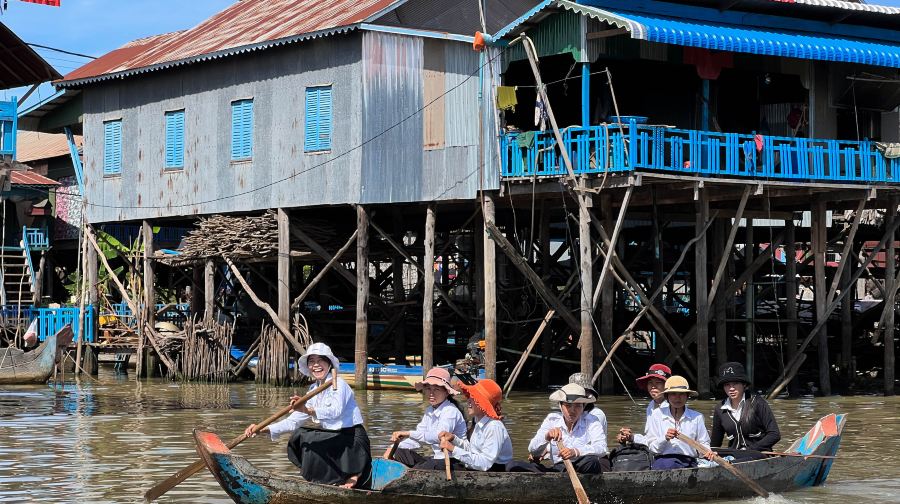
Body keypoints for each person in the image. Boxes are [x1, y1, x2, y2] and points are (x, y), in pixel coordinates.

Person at [243, 342, 371, 488]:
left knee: (308, 436)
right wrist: (261, 429)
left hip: (353, 441)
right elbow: (292, 422)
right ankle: (327, 479)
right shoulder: (312, 391)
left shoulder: (339, 384)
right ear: (308, 367)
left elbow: (336, 411)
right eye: (311, 361)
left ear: (329, 363)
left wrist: (307, 410)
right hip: (335, 439)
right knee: (300, 436)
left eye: (320, 360)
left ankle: (354, 473)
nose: (316, 365)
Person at [509, 383, 609, 474]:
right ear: (561, 406)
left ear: (583, 407)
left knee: (591, 461)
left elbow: (601, 448)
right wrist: (547, 437)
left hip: (584, 467)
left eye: (578, 406)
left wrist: (575, 452)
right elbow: (533, 450)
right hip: (559, 469)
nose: (572, 411)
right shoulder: (552, 420)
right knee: (513, 465)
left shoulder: (591, 420)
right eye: (568, 406)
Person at [387, 367, 467, 468]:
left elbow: (438, 436)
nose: (431, 393)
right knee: (400, 453)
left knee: (425, 466)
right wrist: (392, 448)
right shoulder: (429, 410)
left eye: (436, 389)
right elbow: (417, 438)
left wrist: (408, 433)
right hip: (437, 459)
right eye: (428, 388)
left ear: (447, 392)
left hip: (454, 461)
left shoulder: (450, 411)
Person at [709, 362, 781, 461]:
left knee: (747, 457)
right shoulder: (719, 409)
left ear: (744, 384)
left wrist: (750, 450)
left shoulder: (758, 403)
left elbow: (774, 434)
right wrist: (710, 454)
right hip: (733, 454)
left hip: (758, 454)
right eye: (727, 385)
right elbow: (715, 443)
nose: (731, 388)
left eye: (735, 384)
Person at [438, 379, 513, 471]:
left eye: (474, 398)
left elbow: (485, 463)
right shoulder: (479, 422)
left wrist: (453, 449)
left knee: (438, 466)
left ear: (482, 404)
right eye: (470, 397)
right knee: (436, 463)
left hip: (493, 472)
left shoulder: (493, 427)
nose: (468, 401)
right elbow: (473, 451)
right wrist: (454, 439)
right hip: (480, 469)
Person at [644, 375, 713, 470]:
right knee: (666, 464)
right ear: (667, 397)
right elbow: (652, 447)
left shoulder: (697, 417)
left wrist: (707, 452)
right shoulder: (656, 415)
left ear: (687, 396)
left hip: (688, 461)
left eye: (682, 394)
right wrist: (665, 438)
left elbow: (703, 442)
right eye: (673, 394)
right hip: (662, 461)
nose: (677, 398)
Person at [617, 363, 671, 446]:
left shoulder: (672, 408)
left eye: (658, 382)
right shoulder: (651, 406)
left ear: (667, 386)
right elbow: (650, 439)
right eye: (650, 383)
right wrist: (630, 437)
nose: (653, 386)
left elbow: (662, 442)